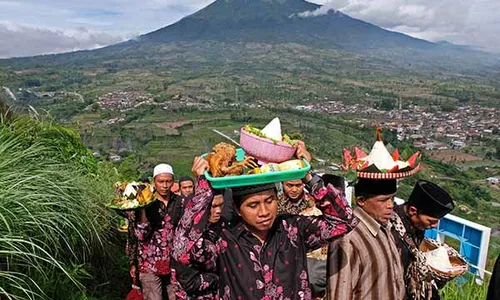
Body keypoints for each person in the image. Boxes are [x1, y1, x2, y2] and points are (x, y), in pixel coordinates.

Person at [173, 142, 356, 299]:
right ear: (238, 209)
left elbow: (343, 222)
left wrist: (307, 175)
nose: (264, 212)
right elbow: (183, 251)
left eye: (269, 201)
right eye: (253, 205)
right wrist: (204, 191)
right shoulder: (224, 240)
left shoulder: (292, 229)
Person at [328, 178, 405, 300]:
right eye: (383, 200)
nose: (390, 205)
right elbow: (340, 293)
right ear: (361, 201)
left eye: (392, 198)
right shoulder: (349, 238)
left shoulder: (386, 229)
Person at [390, 180, 455, 300]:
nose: (435, 226)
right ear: (413, 211)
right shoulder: (392, 229)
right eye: (431, 221)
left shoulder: (416, 225)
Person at [133, 163, 184, 300]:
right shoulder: (146, 203)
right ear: (154, 182)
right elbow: (140, 235)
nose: (165, 185)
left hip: (174, 263)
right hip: (149, 264)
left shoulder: (180, 202)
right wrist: (143, 209)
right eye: (161, 181)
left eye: (168, 181)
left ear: (173, 182)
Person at [278, 178, 328, 299]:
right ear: (282, 184)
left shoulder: (314, 203)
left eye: (298, 185)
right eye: (289, 185)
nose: (294, 189)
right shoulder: (274, 205)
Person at [171, 189, 225, 299]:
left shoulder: (222, 227)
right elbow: (189, 283)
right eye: (213, 206)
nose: (218, 210)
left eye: (221, 205)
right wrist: (219, 278)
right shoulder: (186, 235)